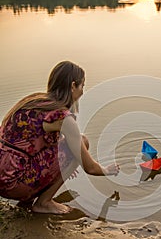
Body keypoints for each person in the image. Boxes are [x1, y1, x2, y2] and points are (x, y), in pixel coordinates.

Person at [0, 61, 120, 214]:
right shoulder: (62, 117)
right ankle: (43, 202)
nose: (83, 91)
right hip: (11, 185)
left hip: (4, 171)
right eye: (82, 86)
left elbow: (39, 140)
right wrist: (108, 170)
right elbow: (90, 168)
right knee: (83, 141)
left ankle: (29, 198)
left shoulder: (33, 101)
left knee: (71, 147)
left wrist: (63, 164)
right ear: (72, 86)